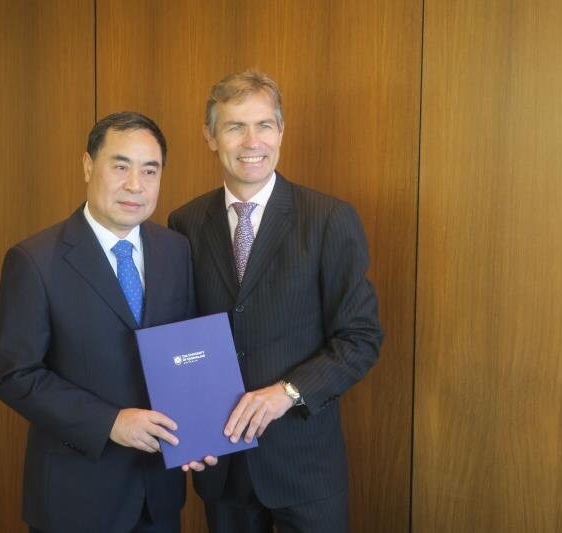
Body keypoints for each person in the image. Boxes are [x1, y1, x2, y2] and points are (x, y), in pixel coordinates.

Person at [168, 71, 384, 532]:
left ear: (281, 132)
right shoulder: (184, 222)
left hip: (305, 465)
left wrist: (286, 393)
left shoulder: (328, 219)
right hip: (221, 465)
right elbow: (181, 337)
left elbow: (361, 338)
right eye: (234, 126)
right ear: (210, 136)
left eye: (264, 125)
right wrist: (187, 427)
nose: (252, 141)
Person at [0, 112, 195, 533]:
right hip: (76, 499)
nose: (135, 185)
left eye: (149, 170)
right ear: (88, 166)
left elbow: (186, 350)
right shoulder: (34, 261)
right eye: (120, 166)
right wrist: (110, 422)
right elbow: (15, 375)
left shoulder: (176, 251)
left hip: (159, 494)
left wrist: (200, 427)